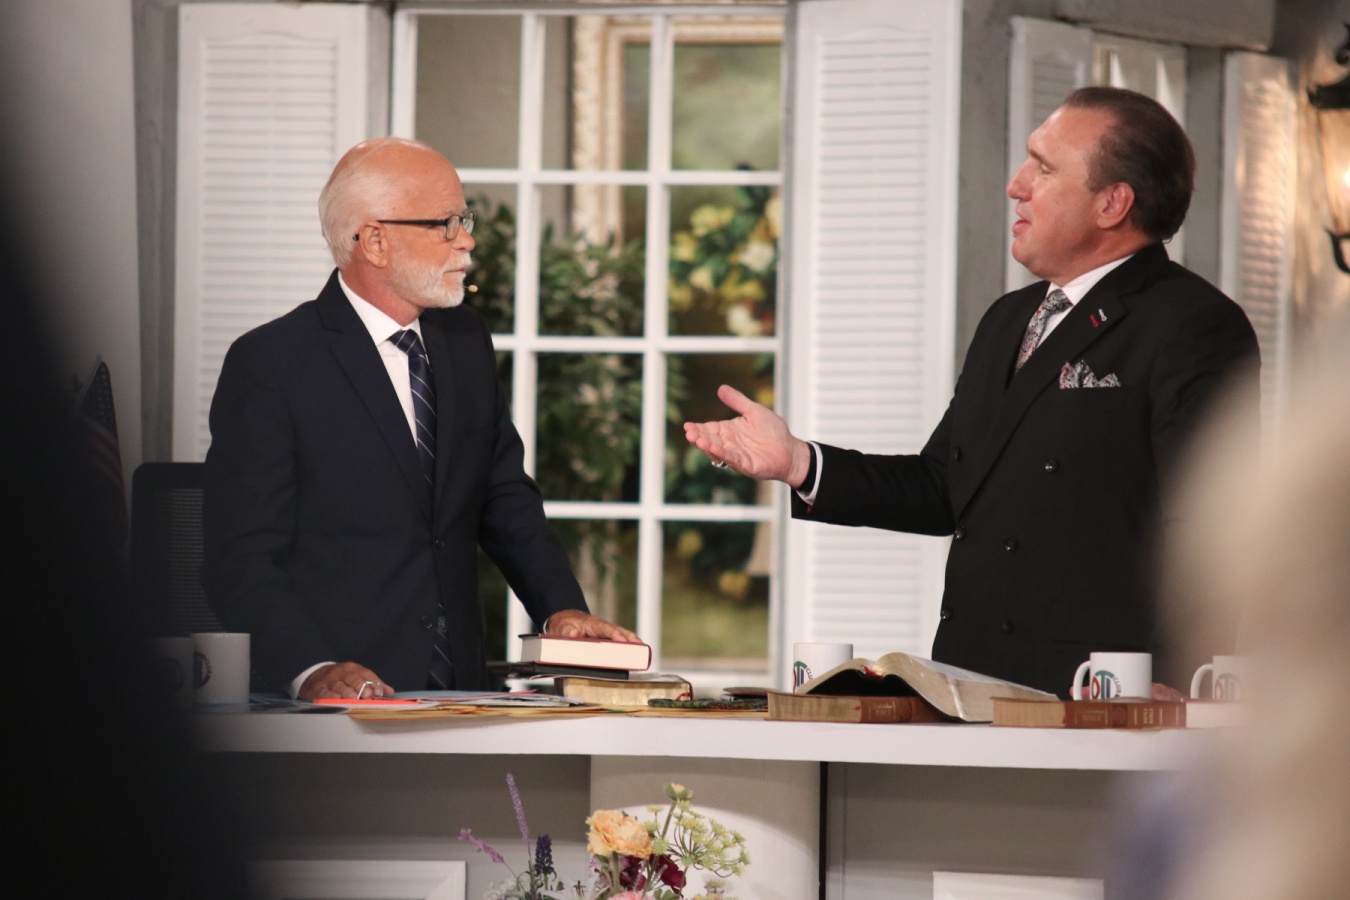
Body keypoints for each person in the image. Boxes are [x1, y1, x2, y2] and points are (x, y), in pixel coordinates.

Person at [684, 87, 1259, 696]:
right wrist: (799, 463)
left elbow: (1216, 527)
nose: (1016, 185)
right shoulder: (1008, 319)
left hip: (1101, 696)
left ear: (1112, 203)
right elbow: (944, 488)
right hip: (969, 682)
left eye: (1043, 168)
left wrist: (1181, 683)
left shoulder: (1192, 324)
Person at [203, 137, 637, 701]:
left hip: (462, 694)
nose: (467, 240)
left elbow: (504, 495)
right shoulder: (273, 362)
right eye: (445, 224)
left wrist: (561, 609)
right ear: (375, 241)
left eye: (464, 220)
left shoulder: (465, 339)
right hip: (339, 704)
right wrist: (311, 669)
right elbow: (240, 559)